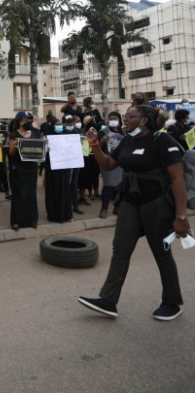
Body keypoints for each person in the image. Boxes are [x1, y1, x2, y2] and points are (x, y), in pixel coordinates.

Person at [79, 105, 188, 321]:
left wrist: (181, 216)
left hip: (156, 202)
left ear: (145, 120)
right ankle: (108, 301)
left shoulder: (161, 140)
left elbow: (177, 178)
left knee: (161, 252)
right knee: (120, 249)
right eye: (124, 117)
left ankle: (172, 302)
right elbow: (109, 164)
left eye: (130, 116)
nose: (124, 120)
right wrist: (94, 145)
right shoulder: (127, 140)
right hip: (130, 200)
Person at [8, 111, 40, 231]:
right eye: (26, 119)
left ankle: (31, 220)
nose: (29, 122)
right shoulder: (14, 134)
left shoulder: (36, 133)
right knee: (18, 194)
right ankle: (16, 221)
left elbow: (41, 148)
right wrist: (14, 146)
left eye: (30, 119)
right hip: (19, 168)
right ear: (20, 121)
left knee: (31, 194)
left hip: (31, 168)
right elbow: (11, 154)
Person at [44, 115, 74, 223]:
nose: (60, 126)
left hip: (64, 168)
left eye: (60, 124)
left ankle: (66, 214)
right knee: (53, 190)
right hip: (52, 169)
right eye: (57, 125)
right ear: (52, 126)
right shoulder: (47, 137)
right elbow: (44, 153)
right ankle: (54, 215)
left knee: (65, 189)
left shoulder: (67, 135)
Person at [98, 111, 126, 218]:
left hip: (120, 162)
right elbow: (98, 148)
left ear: (119, 120)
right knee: (108, 185)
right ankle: (104, 208)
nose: (112, 121)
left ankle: (117, 207)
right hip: (107, 161)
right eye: (111, 119)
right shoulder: (103, 132)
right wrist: (103, 141)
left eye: (115, 118)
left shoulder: (123, 132)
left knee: (120, 186)